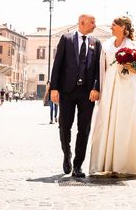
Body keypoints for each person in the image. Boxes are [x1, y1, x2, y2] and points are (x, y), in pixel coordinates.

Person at [89, 15, 136, 178]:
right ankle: (105, 163)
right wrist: (98, 87)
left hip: (127, 86)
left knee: (124, 120)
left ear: (123, 27)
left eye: (114, 25)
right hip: (109, 85)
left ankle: (125, 162)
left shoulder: (134, 45)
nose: (111, 27)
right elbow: (101, 68)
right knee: (106, 119)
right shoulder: (106, 45)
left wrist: (130, 64)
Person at [50, 14, 102, 178]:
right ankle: (67, 155)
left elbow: (98, 69)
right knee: (64, 125)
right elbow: (57, 64)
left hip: (87, 93)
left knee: (84, 129)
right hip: (67, 91)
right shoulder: (66, 39)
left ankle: (78, 165)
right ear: (82, 22)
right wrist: (54, 88)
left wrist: (96, 87)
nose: (95, 25)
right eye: (92, 22)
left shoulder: (96, 42)